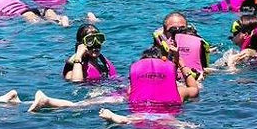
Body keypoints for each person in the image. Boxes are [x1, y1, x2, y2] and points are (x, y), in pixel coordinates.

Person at [14, 45, 200, 117]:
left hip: (125, 100)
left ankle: (43, 101)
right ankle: (120, 120)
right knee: (186, 126)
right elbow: (195, 89)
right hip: (158, 116)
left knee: (79, 104)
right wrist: (180, 62)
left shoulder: (131, 89)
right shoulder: (178, 89)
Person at [152, 12, 211, 77]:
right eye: (172, 30)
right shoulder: (158, 47)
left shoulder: (197, 44)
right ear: (164, 32)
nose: (178, 33)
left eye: (182, 29)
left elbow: (204, 69)